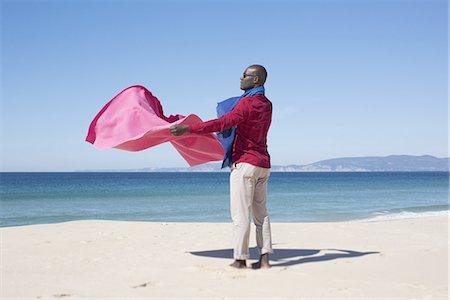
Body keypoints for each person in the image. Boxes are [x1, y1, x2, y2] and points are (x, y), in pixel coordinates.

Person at [170, 65, 273, 269]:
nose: (240, 77)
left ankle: (240, 259)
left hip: (245, 164)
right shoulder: (267, 104)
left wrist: (188, 129)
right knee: (262, 215)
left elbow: (222, 123)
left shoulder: (247, 104)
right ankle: (264, 259)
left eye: (245, 75)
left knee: (240, 215)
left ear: (256, 80)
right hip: (263, 165)